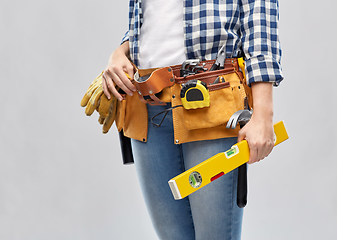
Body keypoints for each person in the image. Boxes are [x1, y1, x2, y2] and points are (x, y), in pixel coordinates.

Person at [101, 0, 283, 239]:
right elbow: (156, 19)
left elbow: (260, 17)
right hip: (146, 104)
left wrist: (263, 113)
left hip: (211, 102)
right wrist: (121, 50)